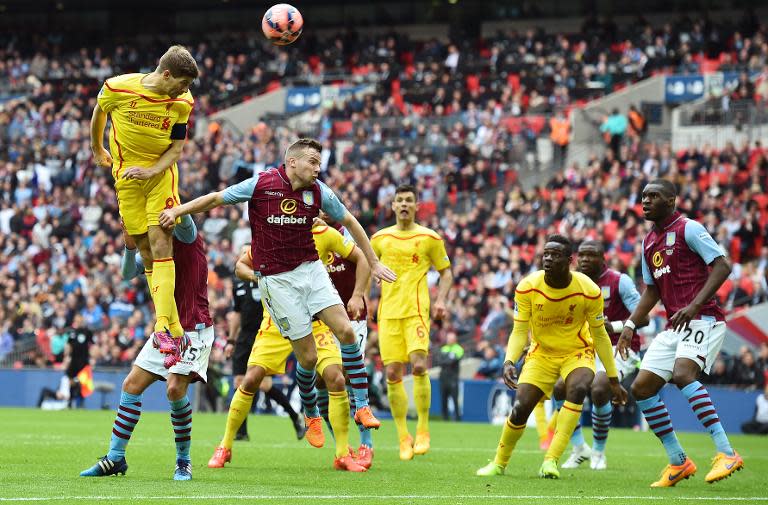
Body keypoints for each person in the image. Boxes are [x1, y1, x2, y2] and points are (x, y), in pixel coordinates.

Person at [159, 137, 396, 444]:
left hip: (311, 270)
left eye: (319, 163)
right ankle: (309, 410)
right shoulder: (261, 184)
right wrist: (179, 211)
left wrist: (374, 262)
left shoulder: (319, 192)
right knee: (308, 359)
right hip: (277, 281)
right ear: (292, 162)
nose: (317, 169)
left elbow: (349, 220)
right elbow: (217, 198)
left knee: (347, 333)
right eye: (312, 162)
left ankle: (362, 407)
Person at [617, 178, 744, 487]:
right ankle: (678, 461)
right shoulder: (649, 242)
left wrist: (695, 303)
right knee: (642, 388)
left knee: (683, 374)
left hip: (704, 317)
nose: (645, 201)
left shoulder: (690, 229)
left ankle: (727, 452)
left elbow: (723, 266)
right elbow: (651, 292)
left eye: (654, 196)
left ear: (671, 201)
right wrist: (631, 324)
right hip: (676, 324)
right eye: (643, 196)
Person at [208, 236, 369, 472]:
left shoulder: (324, 233)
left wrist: (357, 294)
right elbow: (241, 265)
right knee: (251, 377)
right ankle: (225, 446)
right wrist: (259, 277)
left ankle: (342, 453)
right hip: (277, 321)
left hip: (316, 321)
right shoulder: (273, 230)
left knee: (336, 378)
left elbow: (359, 254)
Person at [476, 234, 627, 479]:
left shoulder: (589, 290)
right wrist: (508, 361)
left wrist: (612, 378)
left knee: (577, 389)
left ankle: (551, 460)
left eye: (555, 255)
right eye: (546, 253)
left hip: (577, 352)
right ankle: (499, 463)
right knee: (520, 408)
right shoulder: (528, 286)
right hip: (541, 354)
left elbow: (600, 336)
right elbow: (519, 330)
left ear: (569, 260)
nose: (548, 258)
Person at [80, 214, 213, 481]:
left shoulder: (187, 236)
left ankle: (183, 461)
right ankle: (115, 458)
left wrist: (168, 202)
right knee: (131, 385)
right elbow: (127, 273)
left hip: (193, 330)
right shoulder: (153, 248)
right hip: (165, 331)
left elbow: (181, 214)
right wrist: (130, 245)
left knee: (175, 388)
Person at [91, 45, 200, 367]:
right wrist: (97, 147)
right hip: (126, 178)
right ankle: (175, 329)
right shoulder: (117, 88)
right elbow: (99, 111)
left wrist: (153, 170)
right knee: (146, 250)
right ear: (166, 74)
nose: (186, 90)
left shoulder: (182, 102)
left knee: (160, 242)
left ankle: (160, 327)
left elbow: (177, 148)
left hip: (160, 177)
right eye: (182, 83)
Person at [371, 184, 453, 460]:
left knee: (418, 365)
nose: (404, 204)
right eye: (399, 200)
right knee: (393, 374)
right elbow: (367, 265)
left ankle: (423, 429)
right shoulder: (380, 238)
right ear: (392, 206)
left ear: (417, 206)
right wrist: (362, 291)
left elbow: (447, 273)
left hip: (417, 311)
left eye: (409, 201)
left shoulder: (429, 238)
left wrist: (441, 300)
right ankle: (403, 435)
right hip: (388, 314)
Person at [551, 240, 648, 470]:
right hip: (585, 349)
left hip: (619, 347)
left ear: (602, 258)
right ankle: (578, 448)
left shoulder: (619, 281)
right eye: (581, 255)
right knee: (559, 388)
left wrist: (612, 326)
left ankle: (599, 452)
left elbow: (643, 318)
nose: (584, 259)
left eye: (590, 255)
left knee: (599, 387)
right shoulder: (572, 282)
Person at [312, 214, 377, 468]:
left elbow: (365, 264)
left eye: (328, 206)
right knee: (323, 378)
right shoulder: (309, 234)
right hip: (320, 319)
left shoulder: (348, 235)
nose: (323, 211)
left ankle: (366, 443)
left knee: (347, 374)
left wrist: (360, 295)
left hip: (351, 317)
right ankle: (341, 444)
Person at [225, 245, 305, 442]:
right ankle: (241, 432)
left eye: (248, 253)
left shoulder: (269, 278)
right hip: (244, 337)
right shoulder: (239, 285)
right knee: (238, 381)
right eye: (243, 253)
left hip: (266, 333)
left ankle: (295, 417)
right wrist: (231, 339)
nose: (245, 256)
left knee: (265, 385)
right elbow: (236, 314)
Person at [438, 331, 464, 421]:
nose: (449, 340)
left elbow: (453, 361)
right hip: (443, 378)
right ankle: (444, 418)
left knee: (455, 399)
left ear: (455, 339)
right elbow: (440, 361)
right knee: (443, 399)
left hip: (453, 377)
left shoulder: (459, 349)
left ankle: (457, 418)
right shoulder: (443, 349)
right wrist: (448, 359)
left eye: (451, 339)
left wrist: (447, 360)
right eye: (448, 338)